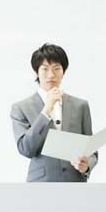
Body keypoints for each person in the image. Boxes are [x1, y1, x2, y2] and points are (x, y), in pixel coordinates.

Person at [10, 43, 97, 182]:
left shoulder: (80, 106)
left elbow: (91, 149)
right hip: (41, 184)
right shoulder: (21, 108)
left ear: (63, 71)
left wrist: (86, 165)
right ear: (36, 72)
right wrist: (46, 111)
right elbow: (26, 149)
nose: (51, 75)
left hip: (74, 183)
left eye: (57, 68)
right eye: (45, 69)